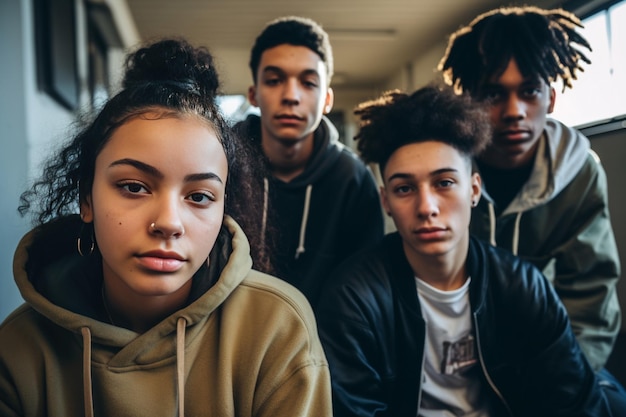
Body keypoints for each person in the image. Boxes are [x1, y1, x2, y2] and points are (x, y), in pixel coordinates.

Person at [0, 38, 331, 417]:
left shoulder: (277, 328)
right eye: (135, 187)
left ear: (224, 208)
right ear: (86, 199)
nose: (169, 223)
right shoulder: (19, 348)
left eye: (200, 196)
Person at [316, 85, 613, 416]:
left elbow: (577, 404)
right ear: (386, 201)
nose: (426, 207)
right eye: (404, 188)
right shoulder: (353, 300)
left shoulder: (522, 285)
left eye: (444, 183)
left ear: (474, 190)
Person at [438, 5, 621, 374]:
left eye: (530, 91)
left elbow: (590, 297)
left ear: (550, 98)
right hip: (448, 355)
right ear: (469, 100)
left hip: (548, 349)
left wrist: (570, 381)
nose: (514, 111)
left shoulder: (579, 172)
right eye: (493, 94)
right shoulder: (439, 169)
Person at [235, 16, 385, 305]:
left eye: (308, 82)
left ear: (327, 100)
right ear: (254, 94)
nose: (291, 96)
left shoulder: (353, 179)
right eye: (275, 80)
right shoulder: (222, 166)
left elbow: (365, 290)